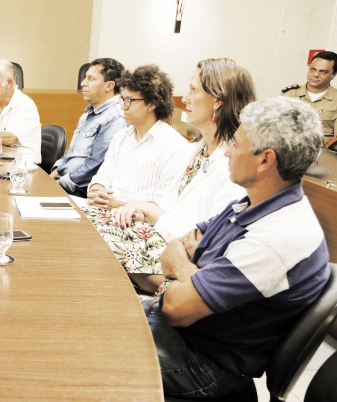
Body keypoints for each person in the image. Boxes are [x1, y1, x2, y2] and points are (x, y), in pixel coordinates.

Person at [145, 96, 329, 398]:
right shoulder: (251, 202)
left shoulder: (276, 237)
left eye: (236, 144)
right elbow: (179, 244)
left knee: (82, 355)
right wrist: (192, 272)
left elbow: (177, 308)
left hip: (203, 364)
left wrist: (186, 268)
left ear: (265, 160)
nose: (228, 152)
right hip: (182, 333)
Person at [94, 59, 255, 294]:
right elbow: (167, 206)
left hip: (183, 260)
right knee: (86, 225)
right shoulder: (196, 149)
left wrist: (151, 212)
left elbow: (205, 246)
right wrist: (142, 210)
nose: (185, 99)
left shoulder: (235, 164)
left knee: (95, 242)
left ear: (218, 101)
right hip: (159, 240)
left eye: (193, 90)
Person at [85, 64, 189, 208]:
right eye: (123, 99)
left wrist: (118, 205)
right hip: (105, 211)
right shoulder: (121, 137)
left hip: (138, 223)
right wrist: (97, 189)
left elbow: (164, 204)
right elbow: (102, 176)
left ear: (151, 104)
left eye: (130, 100)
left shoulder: (175, 146)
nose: (123, 107)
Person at [50, 58, 127, 196]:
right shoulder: (88, 114)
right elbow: (71, 154)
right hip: (64, 182)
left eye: (91, 79)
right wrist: (52, 177)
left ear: (109, 86)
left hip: (81, 190)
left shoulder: (115, 118)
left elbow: (96, 165)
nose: (83, 83)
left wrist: (58, 184)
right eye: (85, 77)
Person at [282, 50, 337, 136]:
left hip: (320, 149)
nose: (315, 74)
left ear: (333, 75)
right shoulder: (288, 95)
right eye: (313, 69)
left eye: (323, 72)